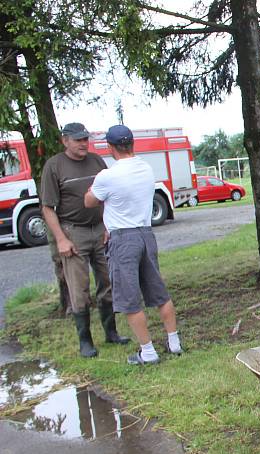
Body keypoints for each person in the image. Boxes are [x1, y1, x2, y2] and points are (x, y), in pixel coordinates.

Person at [84, 125, 183, 365]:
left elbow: (89, 201)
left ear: (110, 147)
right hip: (146, 234)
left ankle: (147, 352)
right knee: (158, 290)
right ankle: (174, 342)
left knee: (129, 297)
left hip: (122, 238)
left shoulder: (107, 176)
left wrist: (91, 190)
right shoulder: (146, 169)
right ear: (132, 145)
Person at [40, 122, 130, 357]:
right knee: (79, 289)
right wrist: (61, 238)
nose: (83, 144)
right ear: (65, 141)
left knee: (107, 282)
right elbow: (48, 208)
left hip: (100, 229)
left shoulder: (97, 161)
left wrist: (108, 225)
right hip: (73, 232)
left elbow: (107, 195)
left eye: (85, 139)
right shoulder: (54, 166)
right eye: (78, 140)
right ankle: (86, 342)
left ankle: (111, 333)